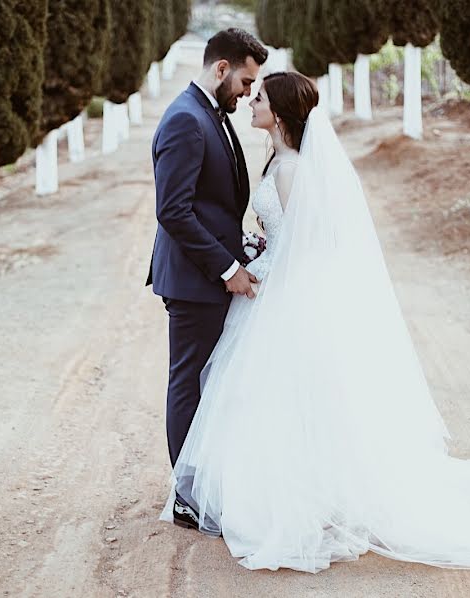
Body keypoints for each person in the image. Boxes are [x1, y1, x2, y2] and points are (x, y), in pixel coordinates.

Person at [160, 71, 470, 573]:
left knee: (284, 399)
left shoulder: (292, 170)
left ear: (277, 114)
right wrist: (260, 251)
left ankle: (304, 500)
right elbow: (286, 236)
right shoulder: (278, 159)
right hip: (270, 287)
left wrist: (265, 266)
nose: (249, 102)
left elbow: (313, 248)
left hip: (285, 299)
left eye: (258, 97)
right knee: (268, 399)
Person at [146, 29, 268, 528]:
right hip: (196, 281)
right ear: (221, 69)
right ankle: (185, 496)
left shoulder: (208, 114)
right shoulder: (185, 120)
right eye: (244, 80)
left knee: (210, 382)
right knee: (189, 385)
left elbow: (211, 205)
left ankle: (206, 483)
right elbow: (174, 212)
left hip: (210, 273)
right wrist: (227, 267)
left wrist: (243, 246)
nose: (247, 92)